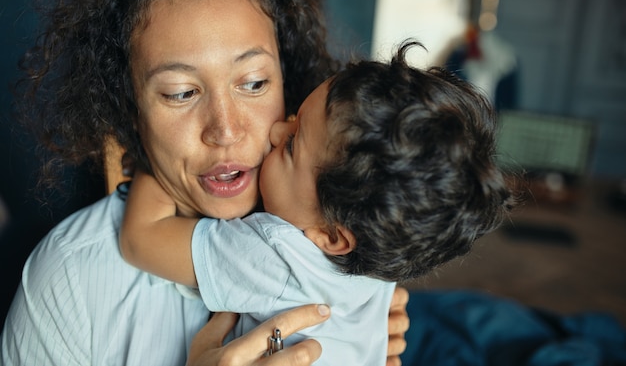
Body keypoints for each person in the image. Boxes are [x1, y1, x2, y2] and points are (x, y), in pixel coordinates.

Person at [0, 0, 409, 365]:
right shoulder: (70, 282)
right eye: (181, 93)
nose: (226, 131)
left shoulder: (347, 220)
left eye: (253, 84)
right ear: (129, 105)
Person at [119, 40, 515, 365]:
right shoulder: (379, 260)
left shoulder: (276, 252)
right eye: (293, 117)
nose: (275, 131)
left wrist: (156, 157)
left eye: (291, 145)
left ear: (331, 235)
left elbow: (141, 239)